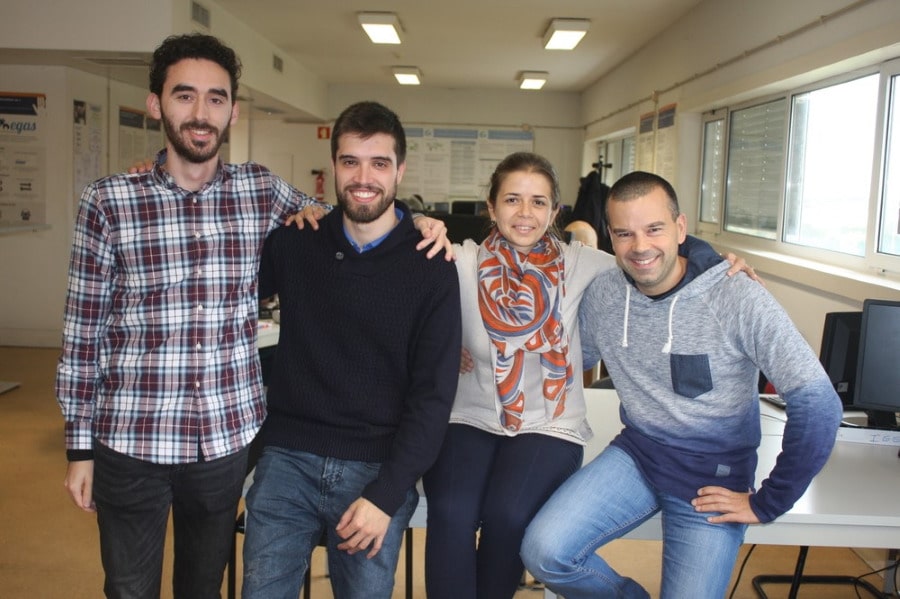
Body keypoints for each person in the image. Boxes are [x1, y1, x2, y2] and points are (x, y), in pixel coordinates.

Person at [55, 33, 447, 599]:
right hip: (130, 435)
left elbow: (354, 211)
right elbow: (82, 330)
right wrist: (79, 447)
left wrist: (423, 223)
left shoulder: (261, 192)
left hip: (221, 439)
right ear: (156, 104)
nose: (200, 112)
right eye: (184, 96)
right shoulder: (109, 201)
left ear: (232, 111)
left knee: (204, 587)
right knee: (128, 588)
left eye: (215, 99)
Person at [421, 154, 753, 599]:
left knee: (509, 514)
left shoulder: (584, 264)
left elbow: (649, 249)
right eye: (512, 200)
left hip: (549, 424)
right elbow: (395, 258)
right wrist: (421, 222)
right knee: (449, 511)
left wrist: (713, 260)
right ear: (491, 206)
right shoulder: (460, 262)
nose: (525, 213)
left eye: (538, 202)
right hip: (470, 416)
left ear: (555, 211)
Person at [520, 171, 843, 599]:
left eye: (654, 229)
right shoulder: (605, 295)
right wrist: (469, 354)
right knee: (545, 552)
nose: (640, 247)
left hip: (714, 480)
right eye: (623, 233)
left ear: (680, 228)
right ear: (610, 237)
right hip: (638, 454)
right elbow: (564, 357)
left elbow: (819, 404)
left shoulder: (735, 295)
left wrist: (767, 501)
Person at [240, 101, 462, 599]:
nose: (364, 178)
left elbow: (433, 398)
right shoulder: (296, 244)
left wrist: (385, 496)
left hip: (377, 468)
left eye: (380, 163)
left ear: (400, 170)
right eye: (350, 162)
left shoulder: (430, 264)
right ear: (333, 167)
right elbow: (217, 286)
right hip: (288, 457)